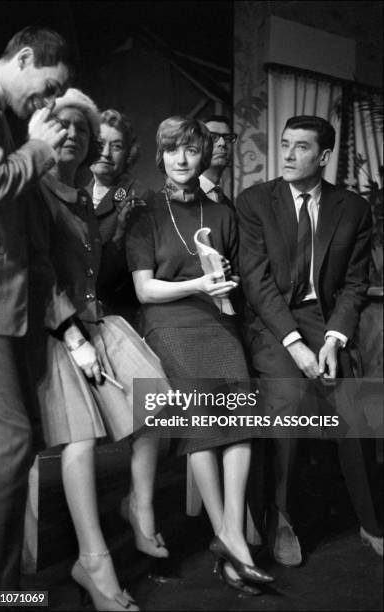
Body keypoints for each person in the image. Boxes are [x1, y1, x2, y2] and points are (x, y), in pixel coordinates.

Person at [29, 88, 171, 611]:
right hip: (51, 330)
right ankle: (93, 561)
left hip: (96, 321)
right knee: (81, 440)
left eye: (82, 131)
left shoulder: (84, 196)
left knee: (155, 402)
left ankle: (140, 505)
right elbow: (38, 278)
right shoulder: (35, 190)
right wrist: (72, 339)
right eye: (63, 126)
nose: (74, 137)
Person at [126, 115, 274, 595]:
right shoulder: (144, 212)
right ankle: (229, 539)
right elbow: (145, 291)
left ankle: (232, 536)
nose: (183, 159)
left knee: (241, 416)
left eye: (192, 150)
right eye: (174, 151)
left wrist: (223, 285)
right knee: (205, 416)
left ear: (206, 154)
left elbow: (236, 282)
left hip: (218, 325)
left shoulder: (224, 214)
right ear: (161, 157)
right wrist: (199, 283)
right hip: (169, 327)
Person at [236, 114, 383, 565]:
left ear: (323, 157)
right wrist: (295, 344)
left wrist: (335, 338)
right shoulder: (256, 201)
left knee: (351, 401)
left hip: (327, 319)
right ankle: (282, 515)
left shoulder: (352, 208)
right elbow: (257, 282)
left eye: (301, 147)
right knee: (288, 398)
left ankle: (372, 522)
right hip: (275, 322)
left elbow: (355, 283)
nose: (290, 154)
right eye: (286, 144)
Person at [0, 26, 73, 590]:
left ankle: (1, 583)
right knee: (11, 445)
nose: (45, 102)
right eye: (47, 86)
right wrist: (38, 147)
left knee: (8, 446)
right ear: (25, 57)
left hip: (5, 304)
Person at [88, 109, 153, 327]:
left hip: (120, 317)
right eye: (99, 143)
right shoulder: (78, 194)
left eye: (116, 146)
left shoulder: (138, 195)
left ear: (128, 154)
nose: (105, 153)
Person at [199, 114, 236, 208]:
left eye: (227, 138)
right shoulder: (183, 197)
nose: (222, 143)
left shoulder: (227, 205)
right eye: (212, 137)